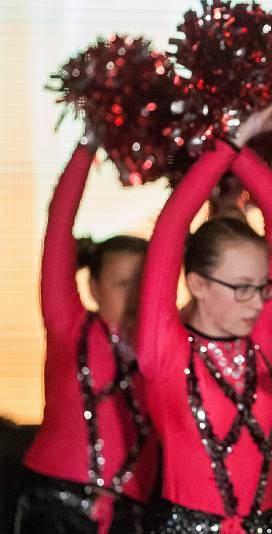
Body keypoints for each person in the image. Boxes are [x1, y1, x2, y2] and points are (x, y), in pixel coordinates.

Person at [136, 103, 272, 533]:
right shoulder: (164, 350)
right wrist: (228, 142)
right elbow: (171, 228)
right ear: (198, 284)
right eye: (242, 287)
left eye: (262, 287)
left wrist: (239, 144)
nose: (256, 301)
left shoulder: (262, 335)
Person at [17, 138, 158, 534]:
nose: (133, 296)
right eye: (121, 283)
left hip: (129, 512)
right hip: (54, 505)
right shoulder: (70, 325)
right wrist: (89, 145)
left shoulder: (163, 347)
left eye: (144, 284)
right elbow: (59, 225)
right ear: (93, 286)